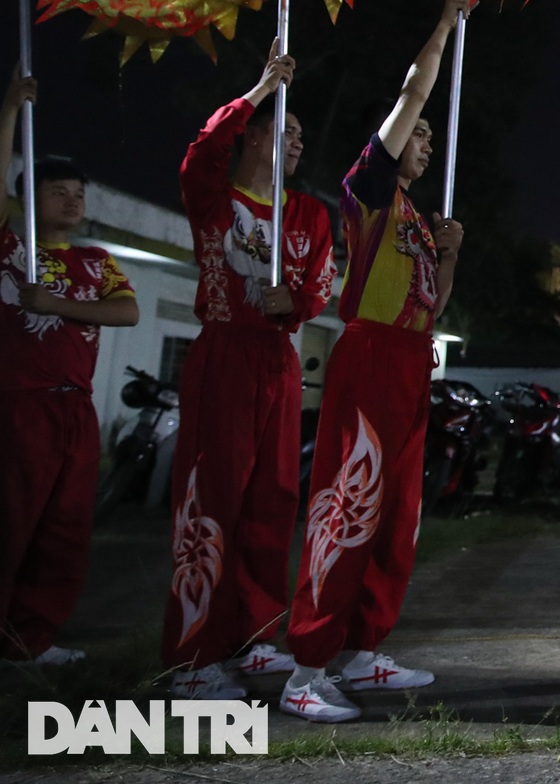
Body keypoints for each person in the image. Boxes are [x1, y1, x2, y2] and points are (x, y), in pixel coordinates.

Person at [281, 0, 470, 722]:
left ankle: (362, 650)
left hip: (410, 359)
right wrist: (445, 23)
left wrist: (449, 258)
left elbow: (433, 306)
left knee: (397, 514)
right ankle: (305, 667)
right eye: (419, 136)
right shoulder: (367, 190)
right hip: (368, 356)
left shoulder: (418, 222)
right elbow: (413, 92)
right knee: (347, 506)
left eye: (425, 138)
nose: (424, 141)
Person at [164, 46, 337, 699]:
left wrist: (295, 302)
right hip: (225, 353)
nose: (293, 142)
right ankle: (192, 655)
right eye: (281, 128)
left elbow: (320, 284)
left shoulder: (308, 215)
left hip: (278, 359)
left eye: (299, 135)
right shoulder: (212, 197)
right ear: (253, 134)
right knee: (213, 499)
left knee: (272, 500)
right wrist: (262, 86)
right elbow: (203, 150)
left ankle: (254, 634)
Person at [0, 71, 139, 664]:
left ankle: (32, 639)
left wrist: (56, 303)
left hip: (74, 409)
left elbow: (128, 311)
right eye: (58, 190)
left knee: (63, 531)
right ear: (27, 200)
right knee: (10, 524)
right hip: (19, 404)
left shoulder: (94, 260)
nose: (73, 199)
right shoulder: (10, 244)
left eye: (78, 191)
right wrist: (10, 106)